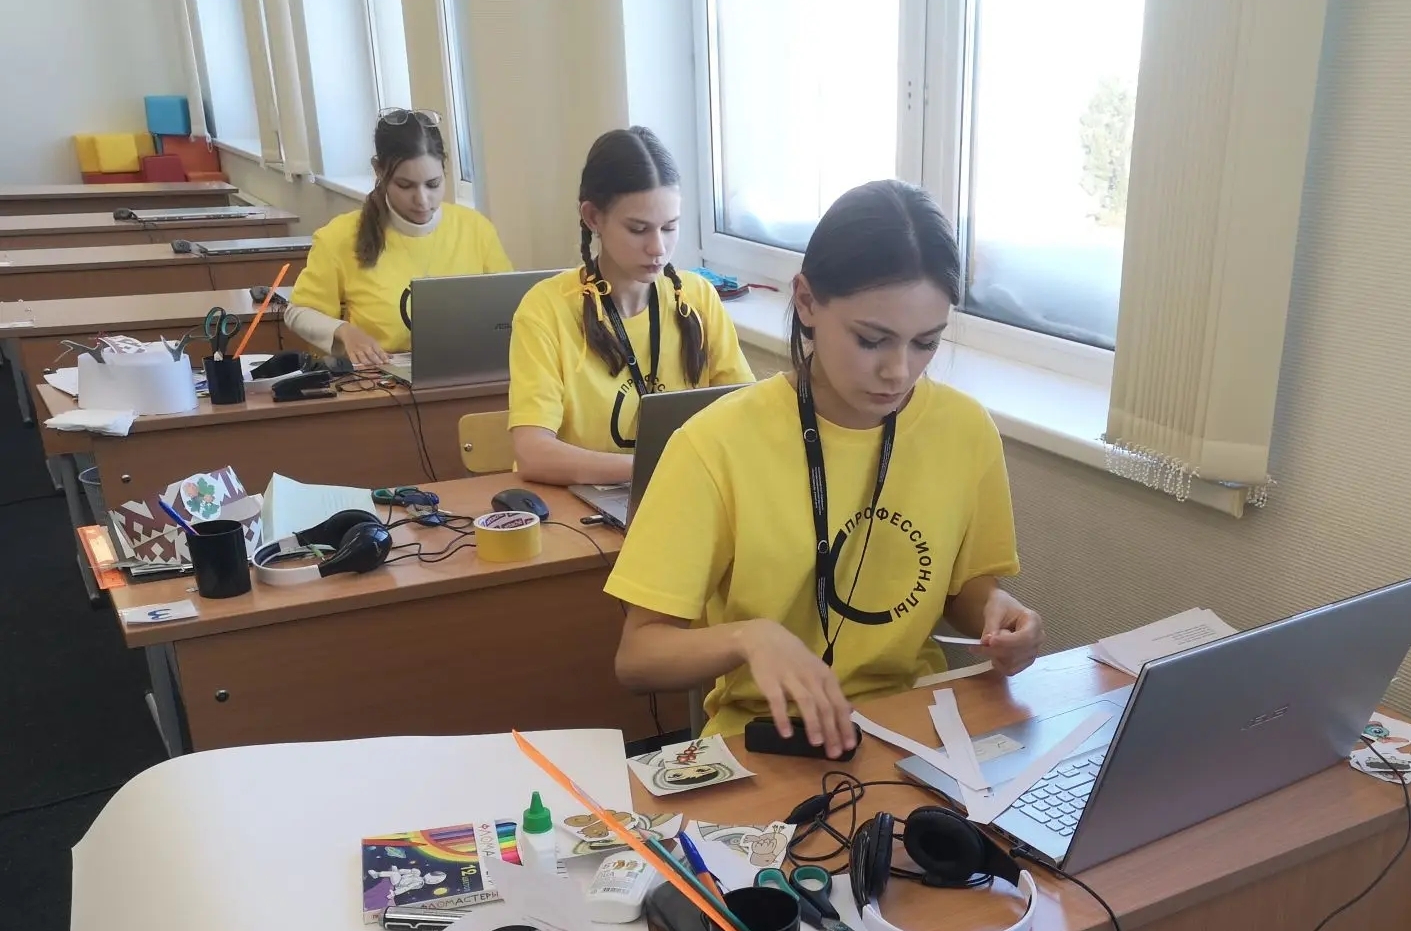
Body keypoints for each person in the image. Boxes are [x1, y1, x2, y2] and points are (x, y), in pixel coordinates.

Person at [606, 180, 1045, 759]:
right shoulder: (713, 445)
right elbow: (638, 656)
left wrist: (997, 614)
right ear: (807, 302)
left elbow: (964, 589)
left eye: (925, 343)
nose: (898, 371)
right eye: (872, 340)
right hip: (768, 739)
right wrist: (748, 638)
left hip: (915, 724)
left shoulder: (965, 431)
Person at [507, 127, 753, 485]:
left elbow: (746, 414)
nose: (658, 248)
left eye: (669, 227)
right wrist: (656, 468)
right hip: (582, 504)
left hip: (681, 490)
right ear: (593, 217)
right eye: (638, 229)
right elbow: (533, 453)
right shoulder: (545, 309)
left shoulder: (697, 297)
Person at [285, 109, 512, 369]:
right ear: (379, 171)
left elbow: (511, 306)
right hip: (376, 382)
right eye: (405, 186)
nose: (422, 200)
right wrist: (344, 331)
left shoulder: (476, 229)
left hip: (463, 371)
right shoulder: (339, 237)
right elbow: (297, 312)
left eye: (433, 184)